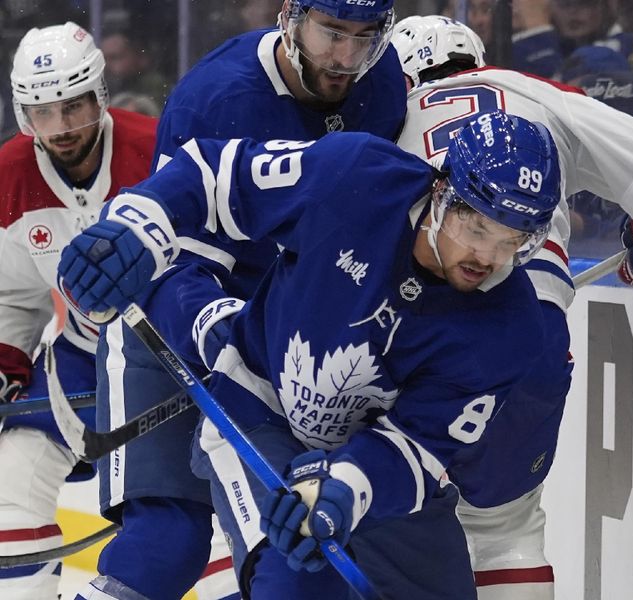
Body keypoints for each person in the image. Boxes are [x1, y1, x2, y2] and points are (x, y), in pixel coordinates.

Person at [59, 109, 560, 600]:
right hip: (260, 413)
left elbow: (414, 445)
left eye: (514, 241)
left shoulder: (511, 327)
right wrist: (141, 224)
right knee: (298, 580)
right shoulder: (354, 177)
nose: (490, 260)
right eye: (477, 231)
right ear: (441, 193)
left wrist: (345, 486)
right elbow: (214, 175)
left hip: (366, 460)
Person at [70, 1, 407, 599]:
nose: (347, 58)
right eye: (331, 33)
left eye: (366, 36)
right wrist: (221, 331)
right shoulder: (218, 99)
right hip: (170, 322)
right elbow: (174, 267)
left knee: (297, 560)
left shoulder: (381, 81)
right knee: (163, 548)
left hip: (282, 342)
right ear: (291, 17)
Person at [391, 14, 633, 599]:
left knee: (364, 525)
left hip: (401, 342)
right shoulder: (536, 96)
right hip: (527, 345)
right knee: (505, 535)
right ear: (477, 61)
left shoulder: (376, 115)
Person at [0, 22, 157, 600]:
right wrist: (5, 362)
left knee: (201, 510)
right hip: (82, 359)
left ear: (100, 96)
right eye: (43, 113)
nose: (61, 128)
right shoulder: (9, 178)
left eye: (73, 107)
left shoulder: (159, 148)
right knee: (8, 491)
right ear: (23, 115)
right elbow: (9, 296)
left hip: (175, 364)